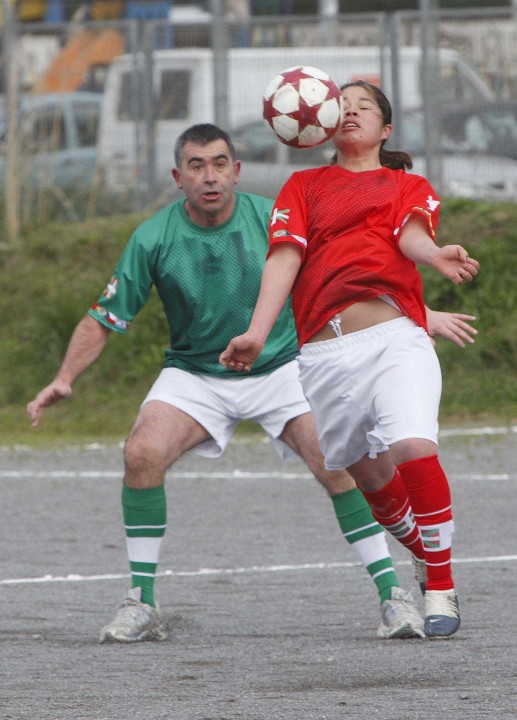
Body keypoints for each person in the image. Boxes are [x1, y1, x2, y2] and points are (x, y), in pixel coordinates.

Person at [27, 123, 476, 644]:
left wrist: (419, 313)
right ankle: (140, 601)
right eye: (196, 165)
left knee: (337, 464)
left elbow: (348, 269)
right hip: (197, 371)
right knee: (141, 451)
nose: (210, 176)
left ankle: (393, 594)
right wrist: (64, 378)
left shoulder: (273, 214)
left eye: (220, 163)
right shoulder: (153, 236)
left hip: (281, 364)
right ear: (177, 176)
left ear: (237, 171)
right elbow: (105, 316)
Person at [220, 85, 480, 640]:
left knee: (412, 446)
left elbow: (411, 236)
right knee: (370, 476)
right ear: (324, 120)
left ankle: (441, 585)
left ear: (386, 129)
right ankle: (424, 552)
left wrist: (435, 255)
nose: (353, 109)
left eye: (366, 105)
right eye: (345, 102)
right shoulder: (303, 185)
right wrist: (257, 333)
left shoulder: (406, 185)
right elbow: (284, 258)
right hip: (324, 356)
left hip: (394, 341)